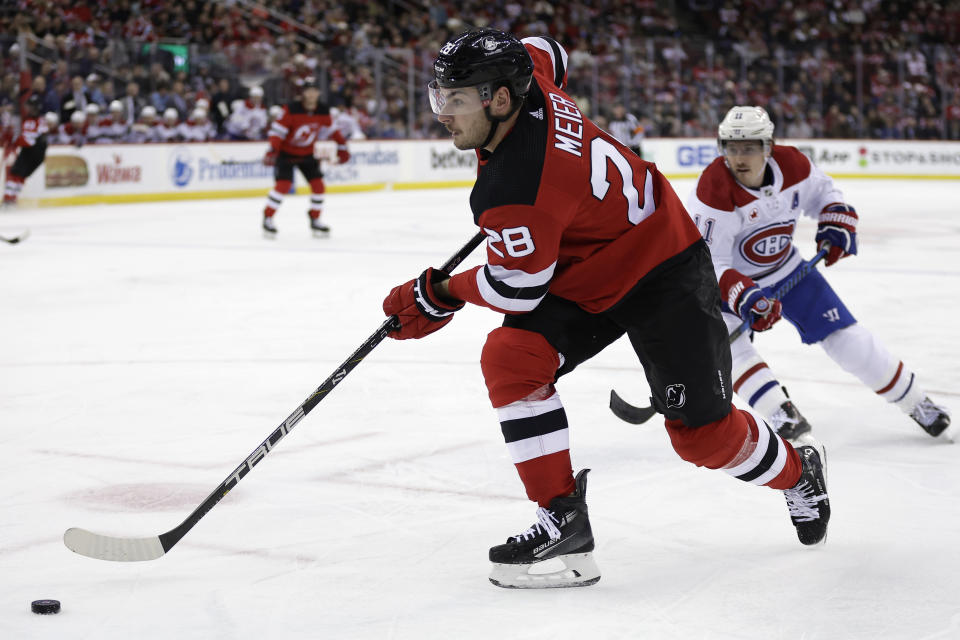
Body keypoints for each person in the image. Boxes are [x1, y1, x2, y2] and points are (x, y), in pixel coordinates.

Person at [380, 29, 831, 589]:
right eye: (438, 96)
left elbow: (515, 287)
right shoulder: (531, 76)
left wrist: (439, 294)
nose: (442, 114)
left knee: (704, 439)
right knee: (513, 357)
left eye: (456, 99)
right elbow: (548, 48)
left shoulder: (518, 188)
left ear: (500, 99)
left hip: (663, 264)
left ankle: (797, 473)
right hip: (587, 268)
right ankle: (562, 518)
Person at [686, 106, 951, 442]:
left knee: (846, 336)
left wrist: (836, 219)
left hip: (788, 269)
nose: (739, 157)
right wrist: (745, 295)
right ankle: (780, 411)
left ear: (768, 146)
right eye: (732, 148)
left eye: (749, 148)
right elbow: (709, 263)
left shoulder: (794, 165)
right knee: (725, 348)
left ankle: (917, 403)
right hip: (732, 285)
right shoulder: (713, 190)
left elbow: (825, 194)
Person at [261, 77, 350, 238]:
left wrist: (342, 147)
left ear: (318, 93)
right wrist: (273, 149)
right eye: (308, 90)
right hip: (286, 154)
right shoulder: (291, 109)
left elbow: (333, 131)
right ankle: (268, 217)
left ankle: (315, 219)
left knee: (318, 186)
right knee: (283, 186)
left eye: (314, 90)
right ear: (303, 93)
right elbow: (277, 132)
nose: (311, 94)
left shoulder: (323, 110)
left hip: (307, 155)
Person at [3, 95, 48, 207]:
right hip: (32, 152)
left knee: (15, 173)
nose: (28, 108)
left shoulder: (39, 120)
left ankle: (8, 198)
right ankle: (12, 198)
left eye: (31, 106)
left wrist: (18, 141)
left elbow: (35, 140)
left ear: (36, 107)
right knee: (20, 175)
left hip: (33, 152)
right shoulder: (29, 119)